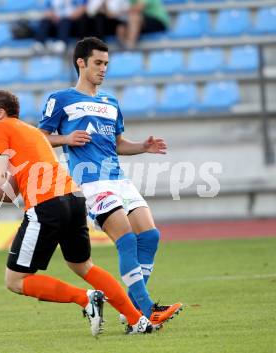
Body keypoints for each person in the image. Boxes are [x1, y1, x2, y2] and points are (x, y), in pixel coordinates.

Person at [0, 89, 155, 336]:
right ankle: (138, 321)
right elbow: (8, 193)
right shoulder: (28, 132)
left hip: (47, 205)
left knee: (15, 281)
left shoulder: (0, 128)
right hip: (73, 199)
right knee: (84, 267)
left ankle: (86, 299)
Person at [38, 37, 182, 327]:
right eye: (98, 63)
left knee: (150, 236)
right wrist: (65, 138)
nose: (104, 69)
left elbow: (117, 143)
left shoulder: (110, 101)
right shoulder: (61, 98)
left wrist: (142, 146)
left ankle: (131, 308)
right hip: (91, 183)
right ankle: (145, 309)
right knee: (126, 239)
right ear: (81, 62)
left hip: (118, 179)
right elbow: (39, 137)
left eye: (106, 64)